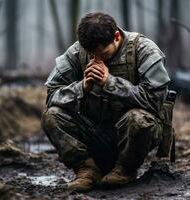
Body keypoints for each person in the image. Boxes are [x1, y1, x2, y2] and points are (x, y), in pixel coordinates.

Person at [42, 12, 171, 192]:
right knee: (52, 116)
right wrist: (81, 88)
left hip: (131, 137)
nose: (97, 60)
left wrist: (110, 83)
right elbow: (51, 95)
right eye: (91, 54)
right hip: (95, 132)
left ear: (116, 36)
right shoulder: (76, 52)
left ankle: (125, 170)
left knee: (139, 119)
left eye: (103, 53)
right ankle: (87, 169)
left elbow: (155, 100)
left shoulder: (144, 50)